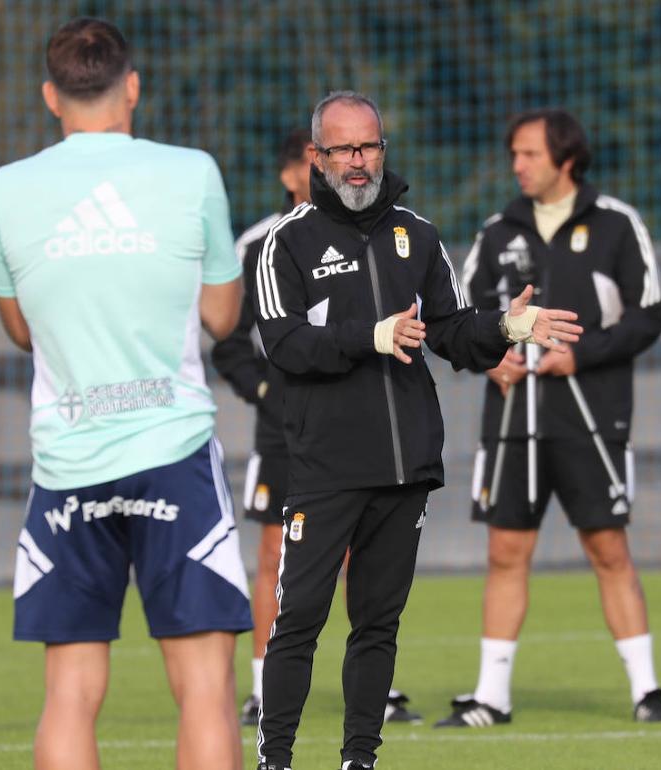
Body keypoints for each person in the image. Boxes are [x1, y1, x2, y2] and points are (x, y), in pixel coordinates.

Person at [251, 91, 582, 770]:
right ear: (317, 157)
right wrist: (370, 336)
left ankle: (359, 760)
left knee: (376, 628)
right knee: (299, 622)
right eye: (342, 149)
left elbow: (453, 331)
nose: (357, 161)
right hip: (322, 467)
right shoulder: (286, 242)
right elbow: (283, 344)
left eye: (368, 146)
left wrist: (504, 328)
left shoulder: (418, 235)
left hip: (404, 469)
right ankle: (275, 761)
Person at [0, 18, 252, 770]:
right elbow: (223, 317)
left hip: (69, 462)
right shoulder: (192, 171)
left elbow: (19, 328)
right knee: (204, 685)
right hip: (174, 455)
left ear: (50, 97)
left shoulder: (8, 188)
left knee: (70, 688)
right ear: (131, 87)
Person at [437, 108, 661, 728]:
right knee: (505, 552)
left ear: (566, 160)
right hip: (512, 421)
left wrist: (583, 355)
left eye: (530, 155)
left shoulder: (618, 225)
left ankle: (648, 693)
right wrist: (490, 361)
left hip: (591, 419)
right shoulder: (496, 233)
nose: (517, 165)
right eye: (514, 154)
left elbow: (649, 314)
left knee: (608, 548)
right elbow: (457, 321)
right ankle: (491, 698)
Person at [211, 127, 422, 728]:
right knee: (275, 554)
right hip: (287, 430)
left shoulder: (378, 232)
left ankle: (377, 690)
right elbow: (229, 340)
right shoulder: (260, 243)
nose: (340, 167)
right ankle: (260, 686)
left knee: (365, 552)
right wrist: (265, 394)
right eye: (320, 158)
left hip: (359, 424)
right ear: (293, 171)